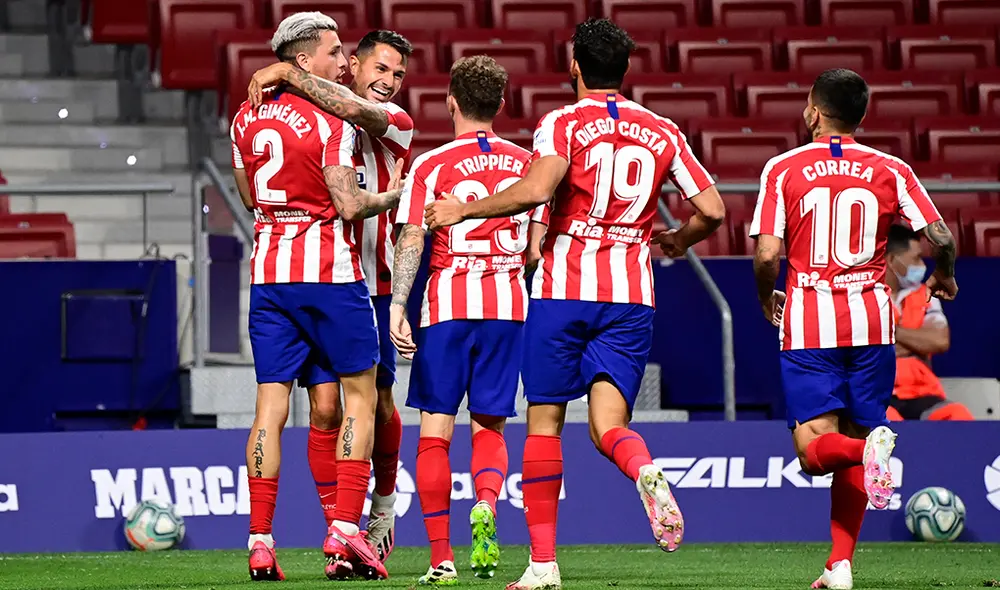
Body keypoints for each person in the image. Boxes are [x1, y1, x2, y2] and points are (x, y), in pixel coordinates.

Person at [424, 19, 725, 590]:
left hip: (566, 288)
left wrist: (465, 210)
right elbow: (712, 208)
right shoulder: (662, 129)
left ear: (575, 66)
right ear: (626, 69)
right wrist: (679, 241)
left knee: (545, 424)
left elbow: (538, 189)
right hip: (631, 295)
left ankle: (543, 564)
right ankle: (644, 468)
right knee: (608, 424)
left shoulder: (563, 122)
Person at [749, 68, 959, 590]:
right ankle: (839, 564)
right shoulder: (892, 167)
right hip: (872, 322)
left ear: (814, 111)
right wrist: (946, 274)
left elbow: (768, 254)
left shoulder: (783, 168)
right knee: (861, 434)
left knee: (814, 450)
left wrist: (763, 296)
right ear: (860, 115)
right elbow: (940, 235)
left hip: (810, 323)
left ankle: (868, 457)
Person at [231, 12, 402, 582]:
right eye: (334, 52)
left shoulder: (244, 117)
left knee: (270, 408)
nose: (343, 62)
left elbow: (250, 195)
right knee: (359, 397)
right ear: (305, 60)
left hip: (269, 275)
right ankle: (347, 529)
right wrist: (393, 195)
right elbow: (349, 206)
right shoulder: (332, 121)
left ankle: (259, 539)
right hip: (329, 272)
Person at [389, 54, 541, 586]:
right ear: (500, 104)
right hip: (506, 307)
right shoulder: (528, 165)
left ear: (450, 101)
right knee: (490, 425)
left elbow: (411, 239)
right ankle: (486, 505)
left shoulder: (429, 166)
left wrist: (397, 304)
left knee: (434, 433)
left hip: (447, 307)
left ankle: (440, 559)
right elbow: (533, 251)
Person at [884, 224, 973, 421]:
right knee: (885, 423)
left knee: (957, 414)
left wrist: (889, 332)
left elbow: (939, 340)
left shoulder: (926, 295)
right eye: (916, 258)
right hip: (877, 394)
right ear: (891, 260)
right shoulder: (863, 298)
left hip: (921, 394)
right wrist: (915, 345)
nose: (922, 265)